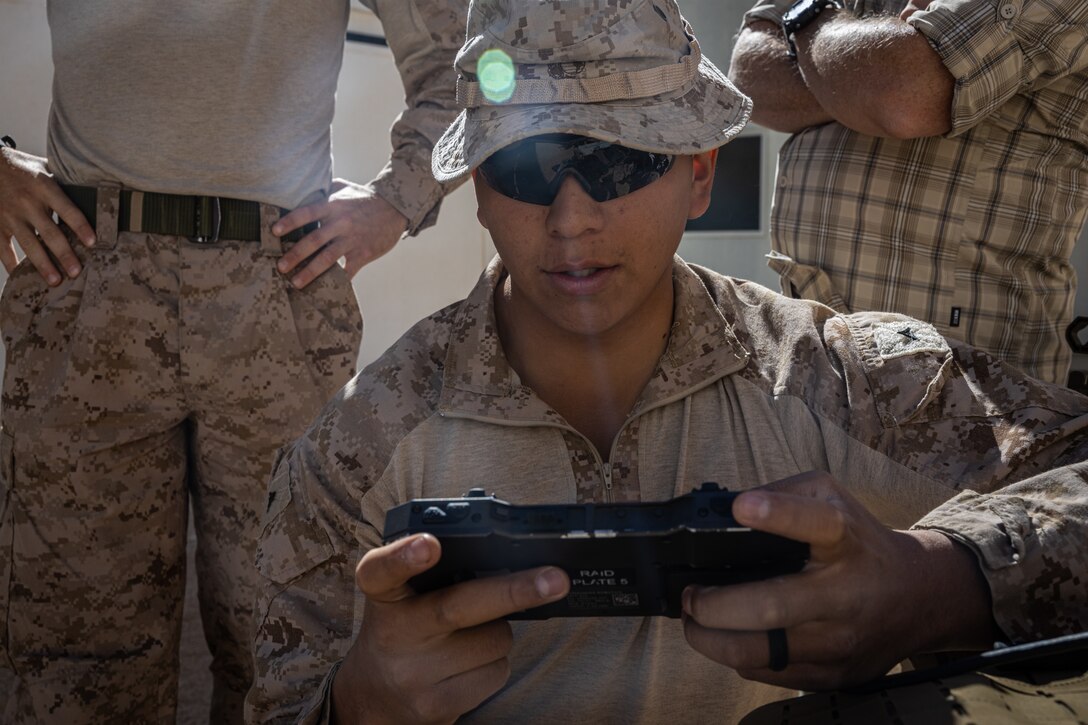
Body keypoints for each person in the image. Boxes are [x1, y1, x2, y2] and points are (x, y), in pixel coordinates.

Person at [246, 0, 1088, 722]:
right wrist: (354, 704)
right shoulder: (360, 452)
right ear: (477, 186)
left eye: (620, 161)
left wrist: (933, 581)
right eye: (527, 169)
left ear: (699, 175)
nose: (573, 219)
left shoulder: (838, 382)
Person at [0, 1, 467, 722]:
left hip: (275, 292)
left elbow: (475, 59)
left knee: (283, 640)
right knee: (77, 654)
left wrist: (396, 201)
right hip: (91, 286)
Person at [728, 0, 1088, 385]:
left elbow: (901, 93)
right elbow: (749, 81)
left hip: (968, 384)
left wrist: (809, 18)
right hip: (822, 367)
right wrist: (863, 69)